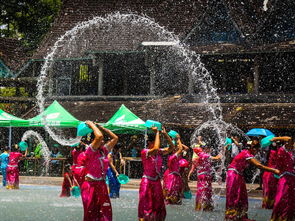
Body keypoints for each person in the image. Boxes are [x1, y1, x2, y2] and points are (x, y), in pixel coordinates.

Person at [225, 137, 280, 220]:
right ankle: (232, 217)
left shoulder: (247, 153)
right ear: (253, 148)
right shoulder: (246, 154)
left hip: (238, 175)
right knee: (235, 195)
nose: (257, 151)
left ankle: (241, 216)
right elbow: (259, 165)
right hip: (233, 175)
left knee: (242, 196)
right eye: (257, 149)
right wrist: (274, 170)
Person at [81, 121, 118, 221]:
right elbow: (99, 137)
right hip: (90, 186)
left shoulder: (103, 150)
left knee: (105, 211)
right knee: (91, 213)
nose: (103, 141)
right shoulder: (90, 150)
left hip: (101, 185)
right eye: (101, 141)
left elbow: (115, 138)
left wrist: (101, 127)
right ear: (93, 141)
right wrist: (92, 125)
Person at [138, 126, 174, 221]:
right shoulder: (145, 152)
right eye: (155, 142)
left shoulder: (159, 152)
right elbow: (156, 148)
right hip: (147, 182)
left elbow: (172, 147)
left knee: (158, 205)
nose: (157, 144)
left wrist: (165, 134)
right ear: (149, 143)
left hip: (156, 181)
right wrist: (157, 133)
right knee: (147, 205)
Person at [270, 137, 295, 221]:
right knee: (281, 197)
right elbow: (288, 138)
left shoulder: (292, 152)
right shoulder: (282, 150)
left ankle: (288, 217)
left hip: (292, 178)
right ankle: (279, 217)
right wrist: (277, 138)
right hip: (284, 178)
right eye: (289, 142)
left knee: (291, 200)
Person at [192, 145, 222, 211]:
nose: (211, 150)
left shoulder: (203, 155)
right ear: (206, 148)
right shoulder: (204, 155)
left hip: (205, 176)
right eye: (209, 148)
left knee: (205, 190)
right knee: (204, 190)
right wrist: (222, 152)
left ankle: (204, 206)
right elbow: (216, 158)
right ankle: (203, 206)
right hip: (204, 176)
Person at [163, 134, 185, 205]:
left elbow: (183, 149)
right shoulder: (173, 156)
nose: (177, 149)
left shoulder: (173, 156)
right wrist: (178, 139)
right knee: (171, 193)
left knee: (174, 194)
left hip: (174, 176)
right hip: (173, 177)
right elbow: (181, 149)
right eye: (176, 148)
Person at [262, 142, 278, 209]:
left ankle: (265, 204)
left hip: (266, 172)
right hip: (272, 173)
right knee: (272, 189)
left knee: (266, 189)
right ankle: (270, 205)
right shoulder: (275, 153)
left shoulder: (268, 152)